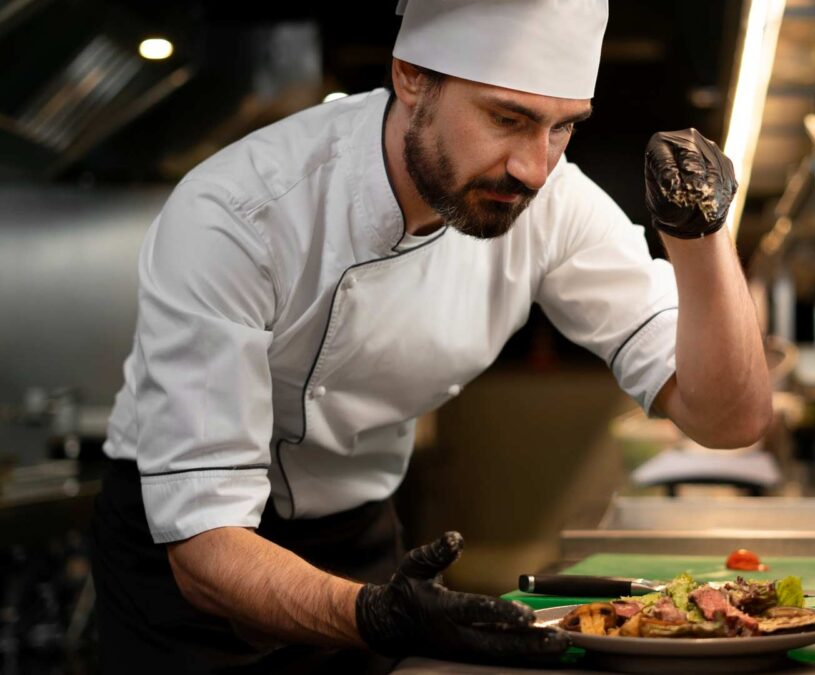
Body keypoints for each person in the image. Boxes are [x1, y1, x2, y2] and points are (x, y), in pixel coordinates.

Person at [89, 0, 772, 672]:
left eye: (562, 128)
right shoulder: (239, 214)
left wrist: (699, 237)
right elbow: (206, 545)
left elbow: (728, 415)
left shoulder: (552, 202)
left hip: (357, 538)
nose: (534, 167)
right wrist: (374, 616)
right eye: (507, 119)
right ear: (412, 76)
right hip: (186, 572)